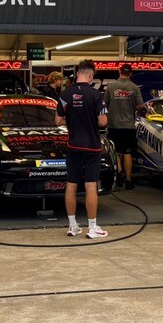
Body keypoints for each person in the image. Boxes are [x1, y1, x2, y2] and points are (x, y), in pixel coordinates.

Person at [56, 59, 109, 239]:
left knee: (71, 184)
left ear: (77, 73)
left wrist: (73, 120)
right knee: (91, 185)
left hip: (73, 145)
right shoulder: (96, 95)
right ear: (91, 75)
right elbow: (103, 121)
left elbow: (58, 121)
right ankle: (92, 228)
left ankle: (72, 226)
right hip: (92, 146)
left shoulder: (64, 94)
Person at [104, 63, 144, 190]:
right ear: (130, 73)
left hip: (113, 125)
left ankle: (119, 171)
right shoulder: (134, 88)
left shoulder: (111, 87)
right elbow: (141, 107)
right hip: (128, 126)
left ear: (119, 72)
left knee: (115, 151)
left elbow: (104, 104)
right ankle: (128, 180)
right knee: (127, 153)